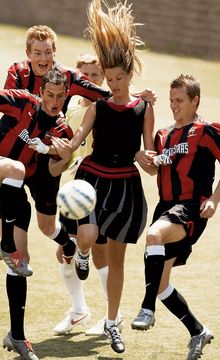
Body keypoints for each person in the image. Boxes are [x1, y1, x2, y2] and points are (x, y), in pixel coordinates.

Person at [4, 25, 156, 330]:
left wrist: (135, 96)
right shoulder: (24, 82)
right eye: (38, 53)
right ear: (28, 55)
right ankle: (70, 307)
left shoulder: (77, 96)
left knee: (61, 234)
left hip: (60, 170)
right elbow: (11, 111)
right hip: (30, 162)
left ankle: (107, 313)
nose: (43, 58)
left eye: (48, 52)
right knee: (47, 240)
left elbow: (106, 96)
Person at [69, 0, 156, 353]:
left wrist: (147, 158)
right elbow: (78, 140)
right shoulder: (98, 107)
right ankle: (83, 252)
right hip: (92, 179)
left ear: (129, 76)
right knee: (87, 236)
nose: (115, 84)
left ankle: (111, 322)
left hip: (125, 187)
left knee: (118, 261)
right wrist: (62, 147)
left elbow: (150, 159)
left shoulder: (144, 109)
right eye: (110, 79)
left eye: (120, 78)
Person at [131, 74, 220, 360]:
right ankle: (197, 331)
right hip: (164, 208)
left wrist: (214, 199)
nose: (174, 105)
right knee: (162, 284)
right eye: (171, 101)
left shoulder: (206, 130)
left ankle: (146, 308)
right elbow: (156, 170)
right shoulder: (164, 135)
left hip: (190, 208)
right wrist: (144, 160)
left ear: (195, 101)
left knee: (154, 235)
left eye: (180, 100)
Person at [0, 69, 74, 360]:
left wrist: (64, 156)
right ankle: (6, 245)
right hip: (4, 170)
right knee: (16, 168)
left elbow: (54, 170)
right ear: (41, 91)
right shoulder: (20, 101)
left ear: (66, 95)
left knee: (21, 262)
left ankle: (16, 335)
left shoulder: (62, 131)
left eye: (60, 96)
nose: (54, 101)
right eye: (49, 94)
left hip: (11, 189)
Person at [50, 54, 123, 336]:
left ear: (103, 80)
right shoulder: (69, 108)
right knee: (63, 252)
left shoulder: (105, 108)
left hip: (98, 187)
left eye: (96, 75)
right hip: (72, 189)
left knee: (100, 253)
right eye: (85, 75)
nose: (90, 80)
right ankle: (79, 311)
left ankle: (111, 318)